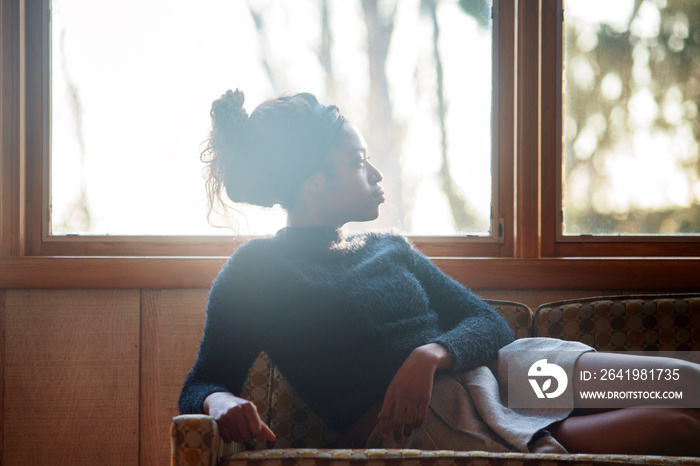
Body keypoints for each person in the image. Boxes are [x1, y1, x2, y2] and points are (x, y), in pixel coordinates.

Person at [179, 89, 700, 456]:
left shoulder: (389, 249)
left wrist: (428, 355)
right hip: (443, 420)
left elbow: (491, 324)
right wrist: (221, 401)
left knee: (687, 385)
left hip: (513, 374)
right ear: (314, 181)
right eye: (359, 160)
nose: (375, 173)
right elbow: (203, 380)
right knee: (676, 430)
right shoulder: (257, 272)